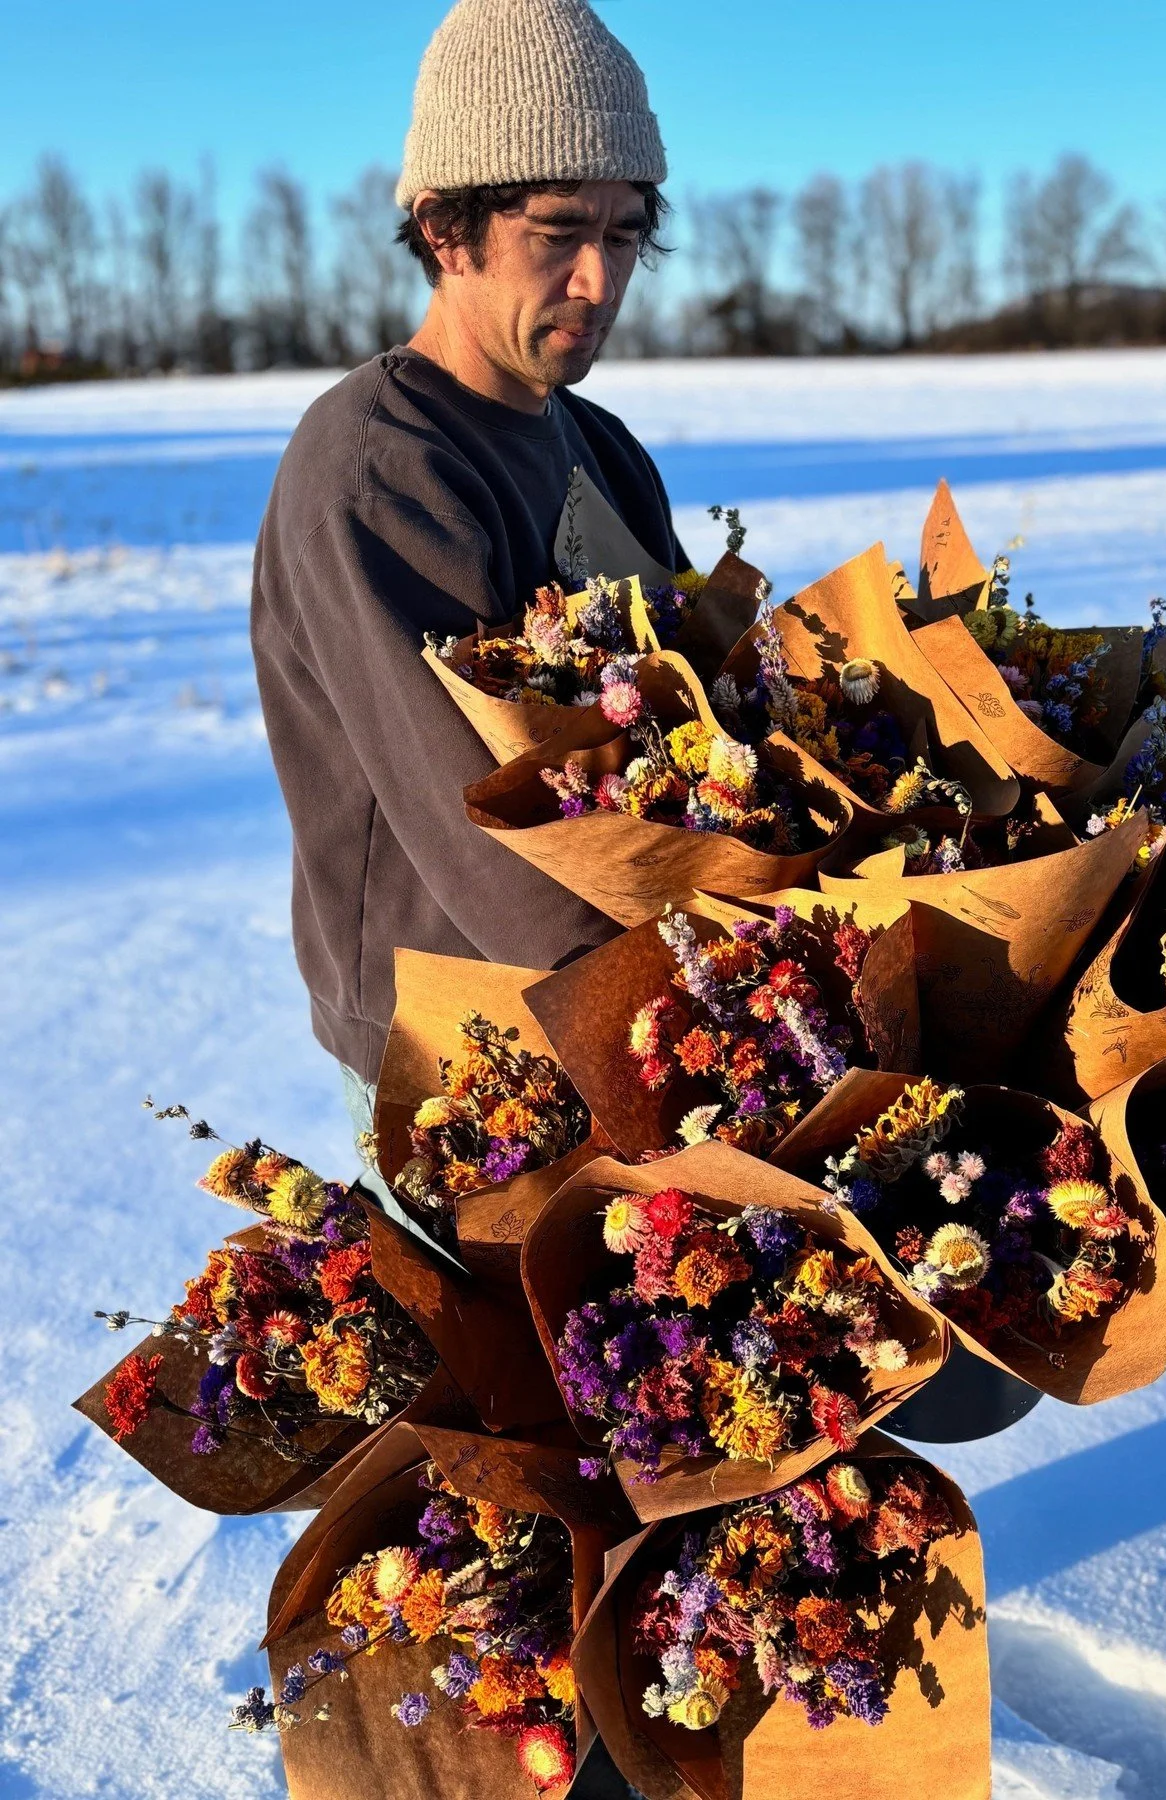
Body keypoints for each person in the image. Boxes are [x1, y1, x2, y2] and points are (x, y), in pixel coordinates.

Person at [252, 0, 681, 1153]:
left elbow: (716, 723)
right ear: (446, 229)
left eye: (628, 232)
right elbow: (480, 825)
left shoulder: (601, 446)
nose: (599, 278)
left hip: (637, 1016)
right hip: (465, 1059)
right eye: (557, 231)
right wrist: (700, 1036)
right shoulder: (378, 467)